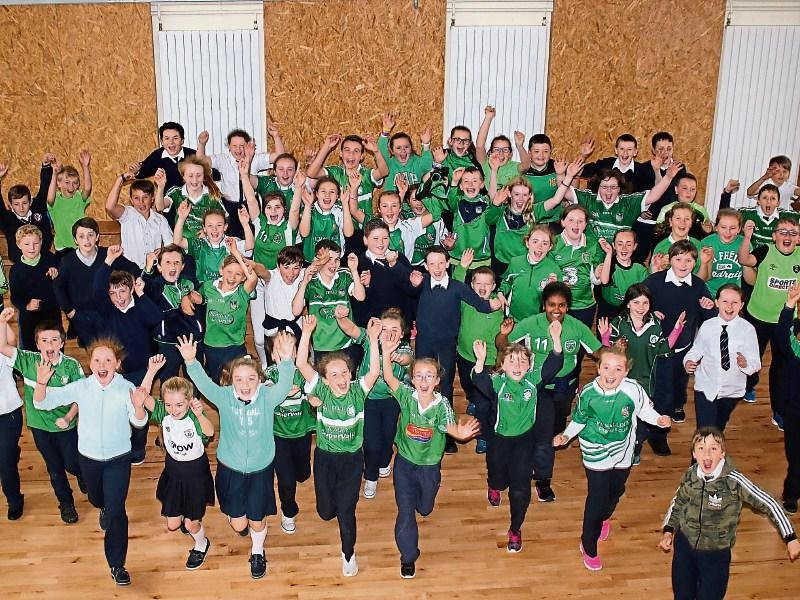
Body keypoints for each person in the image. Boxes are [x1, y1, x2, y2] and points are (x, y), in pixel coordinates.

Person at [32, 339, 158, 586]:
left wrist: (139, 407)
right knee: (97, 498)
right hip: (88, 459)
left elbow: (140, 423)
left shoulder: (126, 388)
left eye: (108, 360)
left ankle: (117, 564)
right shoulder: (81, 387)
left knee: (116, 512)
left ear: (117, 364)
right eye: (97, 360)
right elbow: (41, 402)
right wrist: (42, 382)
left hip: (119, 459)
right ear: (90, 364)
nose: (102, 365)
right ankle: (101, 506)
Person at [176, 332, 297, 580]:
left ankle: (257, 550)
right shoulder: (223, 397)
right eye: (239, 379)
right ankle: (239, 518)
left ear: (259, 380)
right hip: (230, 470)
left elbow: (285, 385)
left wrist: (286, 362)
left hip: (260, 471)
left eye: (251, 378)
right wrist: (191, 362)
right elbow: (204, 384)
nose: (244, 384)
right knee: (239, 524)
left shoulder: (267, 397)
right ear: (231, 381)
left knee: (256, 519)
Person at [554, 345, 671, 571]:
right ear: (598, 369)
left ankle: (605, 516)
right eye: (606, 367)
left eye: (618, 369)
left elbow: (645, 410)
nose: (611, 374)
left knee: (616, 491)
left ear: (626, 372)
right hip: (595, 452)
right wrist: (566, 435)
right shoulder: (588, 394)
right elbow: (579, 420)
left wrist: (658, 420)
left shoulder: (633, 389)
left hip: (623, 451)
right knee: (596, 499)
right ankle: (588, 545)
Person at [380, 328, 479, 578]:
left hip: (430, 465)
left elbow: (451, 427)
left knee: (424, 508)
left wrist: (462, 433)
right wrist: (385, 352)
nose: (424, 381)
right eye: (419, 376)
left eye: (429, 376)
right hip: (404, 463)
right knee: (405, 511)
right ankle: (408, 556)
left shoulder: (442, 404)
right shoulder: (405, 396)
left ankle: (424, 503)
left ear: (437, 381)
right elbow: (390, 377)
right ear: (412, 379)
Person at [660, 427, 799, 600]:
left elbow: (769, 503)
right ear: (694, 454)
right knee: (682, 595)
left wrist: (790, 537)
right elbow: (677, 502)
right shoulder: (690, 475)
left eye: (713, 448)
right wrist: (668, 530)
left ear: (722, 453)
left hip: (715, 554)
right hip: (685, 548)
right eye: (701, 448)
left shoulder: (734, 481)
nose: (707, 454)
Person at [496, 282, 601, 501]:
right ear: (544, 305)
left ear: (568, 307)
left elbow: (599, 352)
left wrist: (616, 351)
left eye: (561, 305)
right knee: (544, 436)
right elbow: (501, 345)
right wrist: (504, 334)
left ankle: (541, 450)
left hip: (565, 388)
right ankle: (543, 480)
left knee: (555, 430)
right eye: (551, 304)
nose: (556, 310)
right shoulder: (531, 324)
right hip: (539, 387)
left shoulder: (577, 327)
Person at [295, 315, 382, 577]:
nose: (341, 378)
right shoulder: (319, 390)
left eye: (344, 372)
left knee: (346, 510)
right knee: (325, 512)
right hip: (324, 458)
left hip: (352, 460)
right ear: (325, 378)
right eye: (334, 374)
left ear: (351, 374)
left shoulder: (357, 390)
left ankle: (348, 554)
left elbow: (375, 371)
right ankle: (331, 511)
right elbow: (301, 363)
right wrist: (307, 332)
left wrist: (374, 341)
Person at [473, 327, 563, 553]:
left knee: (520, 489)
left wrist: (556, 339)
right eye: (511, 361)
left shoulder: (533, 382)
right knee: (498, 475)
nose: (517, 366)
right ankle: (493, 485)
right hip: (499, 441)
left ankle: (515, 528)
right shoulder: (497, 382)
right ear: (502, 365)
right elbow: (479, 381)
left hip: (524, 443)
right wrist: (480, 362)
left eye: (523, 362)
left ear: (529, 366)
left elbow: (554, 365)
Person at [410, 245, 503, 453]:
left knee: (445, 387)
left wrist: (493, 305)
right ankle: (421, 425)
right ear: (425, 265)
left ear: (447, 264)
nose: (437, 268)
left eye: (441, 263)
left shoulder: (457, 287)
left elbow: (478, 302)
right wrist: (413, 284)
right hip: (424, 344)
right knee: (420, 383)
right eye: (432, 263)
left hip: (447, 345)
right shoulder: (421, 283)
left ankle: (447, 432)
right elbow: (404, 286)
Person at [0, 310, 84, 523]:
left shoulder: (71, 366)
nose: (49, 345)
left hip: (66, 426)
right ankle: (66, 503)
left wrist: (68, 417)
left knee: (72, 464)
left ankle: (82, 475)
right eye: (44, 340)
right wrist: (2, 322)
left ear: (62, 342)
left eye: (54, 340)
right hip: (40, 427)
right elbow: (3, 347)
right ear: (37, 344)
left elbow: (81, 397)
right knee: (54, 468)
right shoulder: (28, 360)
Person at [598, 283, 684, 465]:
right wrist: (606, 338)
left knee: (641, 420)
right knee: (619, 417)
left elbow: (664, 350)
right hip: (620, 383)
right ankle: (616, 446)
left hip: (645, 384)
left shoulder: (656, 325)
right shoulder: (618, 324)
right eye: (636, 302)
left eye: (645, 303)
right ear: (628, 304)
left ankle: (636, 447)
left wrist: (676, 330)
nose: (640, 307)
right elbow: (607, 356)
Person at [644, 240, 716, 452]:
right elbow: (637, 307)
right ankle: (658, 436)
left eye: (689, 260)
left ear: (695, 262)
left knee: (680, 382)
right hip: (659, 350)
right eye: (678, 259)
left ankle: (677, 405)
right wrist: (650, 314)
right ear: (670, 260)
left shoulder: (698, 285)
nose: (683, 264)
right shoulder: (655, 282)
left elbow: (708, 319)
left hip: (684, 348)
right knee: (662, 393)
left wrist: (710, 308)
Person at [140, 367, 215, 570]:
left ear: (190, 402)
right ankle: (185, 515)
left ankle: (201, 543)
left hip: (195, 476)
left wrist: (200, 415)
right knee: (173, 524)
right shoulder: (163, 413)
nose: (174, 409)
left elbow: (210, 431)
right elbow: (142, 396)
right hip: (174, 473)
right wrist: (151, 371)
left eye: (179, 404)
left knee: (191, 524)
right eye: (169, 404)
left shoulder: (193, 417)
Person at [335, 306, 411, 498]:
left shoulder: (403, 349)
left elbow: (407, 359)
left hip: (392, 401)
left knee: (388, 436)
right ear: (377, 330)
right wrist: (341, 318)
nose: (389, 334)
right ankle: (370, 476)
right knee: (371, 442)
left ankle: (385, 460)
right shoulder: (370, 341)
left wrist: (398, 358)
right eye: (384, 329)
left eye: (395, 330)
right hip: (368, 399)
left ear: (402, 334)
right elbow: (351, 329)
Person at [739, 216, 800, 430]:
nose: (787, 236)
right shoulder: (765, 250)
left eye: (793, 233)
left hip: (786, 321)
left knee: (782, 367)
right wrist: (747, 237)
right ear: (774, 236)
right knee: (752, 356)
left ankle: (779, 411)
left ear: (799, 238)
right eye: (783, 232)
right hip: (758, 316)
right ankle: (747, 386)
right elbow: (745, 259)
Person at [53, 218, 140, 348]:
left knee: (113, 348)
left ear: (97, 237)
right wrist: (69, 310)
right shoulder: (67, 262)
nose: (86, 241)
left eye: (90, 235)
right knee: (93, 349)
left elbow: (133, 268)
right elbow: (58, 287)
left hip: (107, 313)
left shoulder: (108, 255)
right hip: (82, 314)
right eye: (81, 236)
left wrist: (133, 284)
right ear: (75, 240)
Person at [684, 285, 760, 431]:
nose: (729, 306)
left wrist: (745, 364)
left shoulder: (747, 330)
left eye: (735, 302)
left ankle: (715, 449)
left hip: (732, 390)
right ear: (717, 302)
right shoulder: (707, 326)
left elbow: (755, 363)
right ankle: (700, 452)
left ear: (742, 305)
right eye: (725, 301)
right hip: (706, 387)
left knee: (719, 424)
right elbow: (697, 349)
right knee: (705, 429)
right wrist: (688, 361)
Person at [265, 331, 315, 536]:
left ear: (297, 353)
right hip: (279, 435)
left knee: (302, 474)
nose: (286, 353)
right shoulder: (269, 374)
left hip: (302, 433)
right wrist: (282, 391)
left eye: (291, 349)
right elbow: (267, 391)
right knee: (286, 480)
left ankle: (300, 472)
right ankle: (288, 510)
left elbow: (315, 388)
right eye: (280, 349)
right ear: (273, 355)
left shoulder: (303, 372)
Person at [455, 251, 505, 454]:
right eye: (478, 283)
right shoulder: (466, 300)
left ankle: (483, 436)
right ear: (472, 285)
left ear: (494, 286)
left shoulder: (498, 306)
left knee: (485, 401)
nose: (483, 288)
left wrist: (494, 362)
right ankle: (472, 399)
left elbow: (502, 336)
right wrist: (463, 267)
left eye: (487, 284)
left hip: (488, 362)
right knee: (468, 386)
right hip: (465, 355)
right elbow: (456, 284)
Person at [563, 158, 683, 243]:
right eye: (604, 187)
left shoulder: (628, 202)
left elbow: (653, 195)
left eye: (613, 187)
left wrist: (668, 177)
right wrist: (564, 175)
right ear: (598, 187)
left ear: (620, 189)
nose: (609, 191)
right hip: (590, 257)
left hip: (618, 257)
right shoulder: (588, 198)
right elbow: (565, 191)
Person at [196, 126, 284, 237]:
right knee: (232, 238)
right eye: (234, 146)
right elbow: (200, 161)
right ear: (229, 146)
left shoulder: (255, 158)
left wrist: (276, 136)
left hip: (250, 204)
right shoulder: (223, 159)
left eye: (242, 146)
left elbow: (280, 158)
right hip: (229, 206)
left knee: (254, 235)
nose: (238, 150)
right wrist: (202, 144)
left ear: (247, 145)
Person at [291, 240, 365, 367]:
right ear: (317, 259)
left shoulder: (344, 275)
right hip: (321, 346)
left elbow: (360, 296)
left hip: (346, 344)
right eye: (329, 259)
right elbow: (295, 311)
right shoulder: (310, 281)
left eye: (337, 259)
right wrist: (304, 282)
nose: (333, 264)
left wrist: (354, 271)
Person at [142, 244, 205, 381]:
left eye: (177, 262)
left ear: (182, 266)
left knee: (195, 381)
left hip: (192, 341)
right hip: (167, 342)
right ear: (159, 267)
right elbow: (144, 291)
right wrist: (147, 270)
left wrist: (202, 301)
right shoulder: (156, 285)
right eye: (168, 262)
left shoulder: (190, 283)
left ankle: (194, 401)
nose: (173, 266)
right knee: (168, 382)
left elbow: (204, 304)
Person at [200, 245, 258, 383]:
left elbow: (253, 278)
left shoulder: (242, 293)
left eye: (238, 274)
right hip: (212, 346)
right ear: (221, 270)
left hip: (234, 346)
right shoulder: (208, 286)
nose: (232, 277)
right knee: (217, 383)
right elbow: (199, 301)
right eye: (229, 271)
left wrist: (236, 253)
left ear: (243, 277)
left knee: (237, 381)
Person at [306, 133, 389, 228]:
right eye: (347, 150)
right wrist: (326, 147)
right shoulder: (335, 173)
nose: (351, 154)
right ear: (341, 154)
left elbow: (384, 172)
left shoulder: (366, 174)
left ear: (362, 156)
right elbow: (311, 173)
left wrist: (376, 151)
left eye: (356, 151)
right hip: (339, 231)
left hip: (363, 230)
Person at [105, 164, 173, 268]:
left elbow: (171, 246)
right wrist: (121, 179)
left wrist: (163, 251)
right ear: (131, 200)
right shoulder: (127, 214)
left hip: (152, 270)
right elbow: (110, 207)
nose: (141, 202)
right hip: (129, 270)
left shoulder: (160, 220)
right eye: (136, 198)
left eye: (145, 197)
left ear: (152, 198)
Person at [9, 224, 60, 350]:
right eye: (26, 244)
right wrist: (26, 304)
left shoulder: (51, 259)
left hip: (51, 314)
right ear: (19, 245)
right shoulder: (15, 270)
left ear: (41, 242)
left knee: (54, 347)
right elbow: (15, 296)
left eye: (35, 243)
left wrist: (57, 273)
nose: (32, 248)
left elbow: (63, 283)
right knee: (30, 349)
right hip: (29, 318)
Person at [173, 204, 253, 284]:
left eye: (219, 225)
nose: (214, 229)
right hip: (204, 290)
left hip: (227, 288)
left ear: (225, 227)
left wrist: (245, 225)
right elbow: (178, 241)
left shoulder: (231, 242)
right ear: (204, 228)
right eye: (210, 225)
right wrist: (181, 218)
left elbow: (250, 246)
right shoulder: (198, 244)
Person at [498, 225, 562, 322]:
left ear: (550, 247)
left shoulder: (554, 270)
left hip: (538, 322)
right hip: (513, 319)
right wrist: (500, 293)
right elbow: (507, 282)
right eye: (535, 241)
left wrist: (554, 289)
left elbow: (559, 301)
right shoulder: (515, 262)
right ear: (527, 243)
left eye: (545, 243)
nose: (539, 246)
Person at [774, 283, 800, 513]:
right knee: (796, 457)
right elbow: (782, 336)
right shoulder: (794, 350)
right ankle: (791, 493)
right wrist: (789, 304)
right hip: (795, 413)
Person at [0, 155, 55, 262]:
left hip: (42, 260)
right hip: (20, 263)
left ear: (30, 202)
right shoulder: (7, 219)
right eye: (16, 204)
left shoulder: (37, 208)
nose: (21, 208)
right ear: (10, 206)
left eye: (24, 203)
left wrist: (46, 167)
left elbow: (44, 188)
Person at [156, 155, 225, 238]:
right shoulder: (176, 192)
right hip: (182, 246)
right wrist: (160, 187)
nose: (194, 180)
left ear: (203, 176)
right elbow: (160, 207)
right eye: (190, 176)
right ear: (183, 176)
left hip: (206, 246)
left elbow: (224, 220)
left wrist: (208, 232)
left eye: (199, 175)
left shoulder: (212, 195)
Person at [258, 246, 305, 367]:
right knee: (273, 367)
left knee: (296, 367)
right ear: (278, 266)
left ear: (301, 267)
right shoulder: (271, 277)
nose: (291, 273)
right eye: (286, 267)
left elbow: (318, 266)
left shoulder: (304, 275)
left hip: (295, 330)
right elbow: (259, 269)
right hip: (272, 331)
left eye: (296, 268)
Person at [298, 177, 355, 263]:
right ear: (316, 194)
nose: (327, 195)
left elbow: (349, 233)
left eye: (332, 192)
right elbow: (304, 233)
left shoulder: (339, 211)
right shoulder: (309, 209)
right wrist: (308, 205)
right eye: (323, 191)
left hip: (334, 262)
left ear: (337, 196)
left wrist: (345, 204)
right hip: (311, 260)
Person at [596, 228, 649, 321]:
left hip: (630, 310)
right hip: (608, 309)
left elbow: (647, 290)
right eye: (620, 244)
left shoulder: (640, 267)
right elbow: (604, 281)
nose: (624, 248)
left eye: (628, 244)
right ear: (614, 246)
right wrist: (608, 254)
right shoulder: (609, 263)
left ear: (635, 246)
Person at [46, 152, 92, 257]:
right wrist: (54, 174)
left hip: (79, 246)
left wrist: (85, 166)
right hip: (62, 247)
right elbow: (49, 199)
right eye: (67, 182)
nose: (71, 187)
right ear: (59, 183)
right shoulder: (55, 200)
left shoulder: (79, 198)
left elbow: (88, 188)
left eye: (75, 183)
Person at [0, 316, 22, 520]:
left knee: (4, 463)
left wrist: (2, 322)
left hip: (8, 414)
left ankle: (14, 500)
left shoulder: (2, 351)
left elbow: (11, 343)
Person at [698, 208, 747, 301]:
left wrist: (745, 258)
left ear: (739, 229)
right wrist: (708, 261)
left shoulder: (743, 243)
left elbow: (751, 280)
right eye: (723, 227)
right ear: (716, 227)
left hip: (733, 294)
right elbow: (703, 278)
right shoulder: (707, 242)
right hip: (709, 293)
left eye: (733, 228)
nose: (728, 232)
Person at [474, 106, 531, 185]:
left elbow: (526, 165)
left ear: (510, 154)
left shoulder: (513, 167)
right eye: (497, 149)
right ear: (490, 153)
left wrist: (520, 146)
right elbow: (479, 146)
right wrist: (488, 118)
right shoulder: (485, 164)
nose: (501, 153)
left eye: (505, 150)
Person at [136, 121, 198, 192]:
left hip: (190, 199)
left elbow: (210, 173)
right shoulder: (157, 155)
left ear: (182, 140)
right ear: (162, 142)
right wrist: (135, 171)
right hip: (166, 201)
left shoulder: (192, 155)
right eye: (167, 138)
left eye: (175, 138)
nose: (171, 142)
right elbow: (142, 172)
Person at [378, 113, 433, 190]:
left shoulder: (417, 161)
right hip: (393, 201)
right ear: (392, 151)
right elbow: (380, 152)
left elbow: (427, 165)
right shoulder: (389, 164)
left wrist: (426, 145)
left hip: (412, 201)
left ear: (411, 148)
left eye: (406, 147)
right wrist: (385, 132)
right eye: (398, 148)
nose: (403, 150)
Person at [580, 133, 650, 192]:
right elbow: (579, 171)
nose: (625, 152)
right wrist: (583, 156)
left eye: (629, 149)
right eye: (622, 149)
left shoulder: (642, 171)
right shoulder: (605, 164)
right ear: (616, 150)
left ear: (635, 152)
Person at [650, 204, 703, 273]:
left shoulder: (698, 245)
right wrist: (659, 267)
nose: (682, 222)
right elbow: (652, 276)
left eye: (687, 219)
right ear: (670, 221)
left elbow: (702, 276)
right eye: (678, 218)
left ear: (691, 223)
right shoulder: (661, 247)